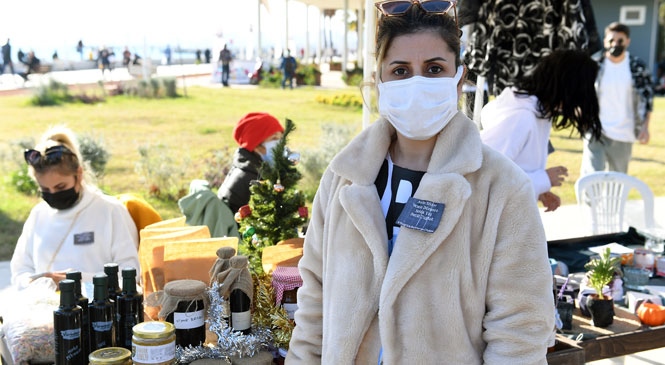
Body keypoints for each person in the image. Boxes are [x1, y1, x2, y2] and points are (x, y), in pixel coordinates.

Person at [287, 3, 554, 364]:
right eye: (400, 70)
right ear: (379, 79)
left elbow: (521, 329)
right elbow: (314, 306)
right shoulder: (342, 178)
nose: (417, 83)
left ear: (458, 79)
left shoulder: (502, 188)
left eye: (433, 69)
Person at [10, 125, 140, 290]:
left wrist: (78, 281)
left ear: (79, 175)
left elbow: (131, 275)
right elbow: (20, 272)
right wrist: (42, 283)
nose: (53, 194)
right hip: (43, 310)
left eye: (60, 187)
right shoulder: (38, 214)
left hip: (97, 311)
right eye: (45, 189)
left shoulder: (110, 211)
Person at [480, 49, 603, 212]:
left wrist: (538, 192)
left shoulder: (540, 115)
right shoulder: (521, 118)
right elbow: (484, 179)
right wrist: (542, 179)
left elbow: (516, 169)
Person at [581, 22, 655, 175]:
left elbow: (647, 99)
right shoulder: (594, 64)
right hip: (596, 131)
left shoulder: (637, 67)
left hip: (624, 133)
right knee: (592, 176)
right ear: (605, 41)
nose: (615, 44)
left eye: (620, 40)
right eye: (611, 41)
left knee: (618, 181)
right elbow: (582, 94)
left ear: (628, 41)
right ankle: (588, 201)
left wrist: (645, 127)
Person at [217, 112, 284, 214]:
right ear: (256, 145)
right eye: (274, 139)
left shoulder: (252, 168)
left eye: (281, 138)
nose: (281, 144)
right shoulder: (250, 179)